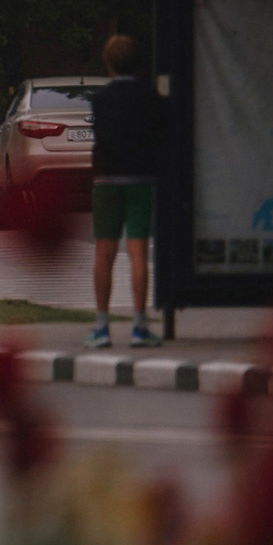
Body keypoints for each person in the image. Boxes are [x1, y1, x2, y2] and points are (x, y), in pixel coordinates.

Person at [86, 34, 161, 349]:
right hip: (140, 179)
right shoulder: (149, 96)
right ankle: (139, 327)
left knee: (104, 253)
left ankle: (102, 327)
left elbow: (101, 138)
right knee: (137, 253)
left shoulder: (99, 100)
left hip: (105, 181)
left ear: (108, 63)